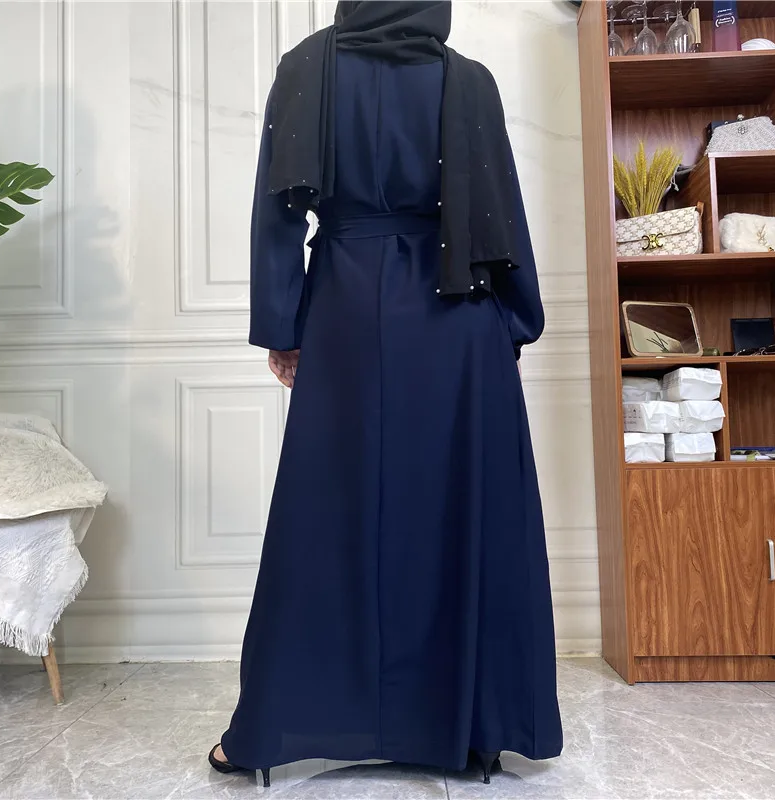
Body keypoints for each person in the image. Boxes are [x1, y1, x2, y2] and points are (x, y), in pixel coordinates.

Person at [209, 0, 562, 786]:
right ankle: (469, 724)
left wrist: (282, 324)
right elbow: (502, 215)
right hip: (458, 316)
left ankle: (274, 725)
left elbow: (277, 210)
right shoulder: (468, 81)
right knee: (455, 515)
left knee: (325, 519)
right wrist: (514, 323)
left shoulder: (307, 68)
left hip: (344, 307)